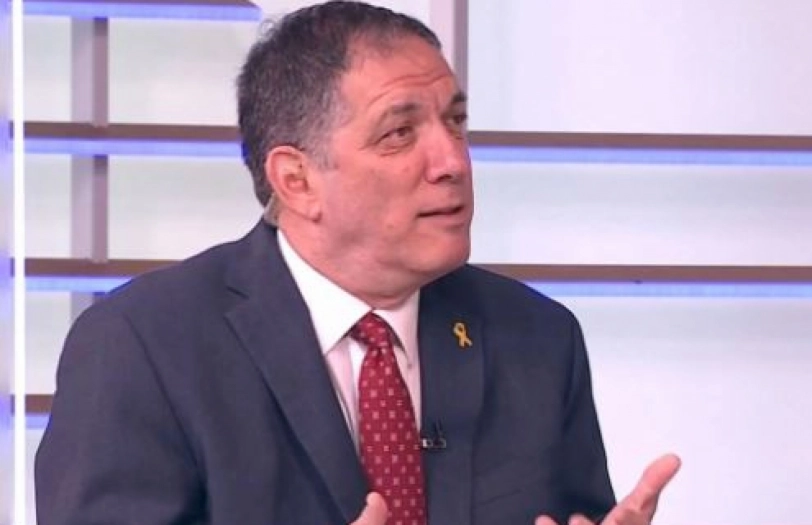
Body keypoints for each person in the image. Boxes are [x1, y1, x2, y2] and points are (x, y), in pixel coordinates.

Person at [34, 1, 681, 524]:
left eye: (455, 122)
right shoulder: (144, 346)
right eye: (399, 133)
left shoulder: (537, 338)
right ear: (296, 180)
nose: (452, 161)